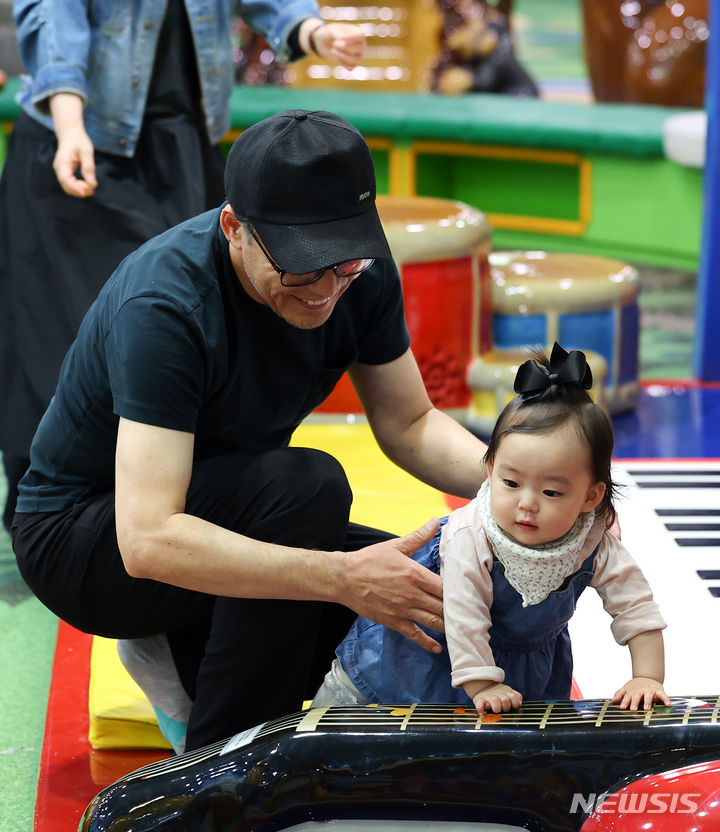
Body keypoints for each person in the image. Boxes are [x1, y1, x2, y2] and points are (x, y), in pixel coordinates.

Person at [11, 109, 489, 753]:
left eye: (342, 263)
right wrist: (340, 577)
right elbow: (147, 539)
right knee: (309, 488)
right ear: (234, 227)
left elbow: (410, 423)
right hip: (89, 541)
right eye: (301, 267)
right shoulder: (166, 304)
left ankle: (184, 648)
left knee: (437, 597)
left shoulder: (358, 276)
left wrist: (518, 486)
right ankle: (225, 769)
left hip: (228, 515)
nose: (324, 289)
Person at [0, 0, 366, 533]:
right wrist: (69, 122)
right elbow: (56, 18)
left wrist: (308, 29)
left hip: (182, 144)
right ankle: (65, 511)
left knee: (196, 321)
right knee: (67, 330)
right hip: (84, 146)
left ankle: (182, 506)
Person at [313, 343, 671, 714]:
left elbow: (636, 607)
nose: (527, 503)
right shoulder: (472, 534)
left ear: (590, 497)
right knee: (364, 714)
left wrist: (647, 676)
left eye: (551, 491)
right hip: (426, 659)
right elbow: (464, 612)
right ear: (490, 469)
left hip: (518, 670)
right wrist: (482, 682)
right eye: (511, 483)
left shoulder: (593, 541)